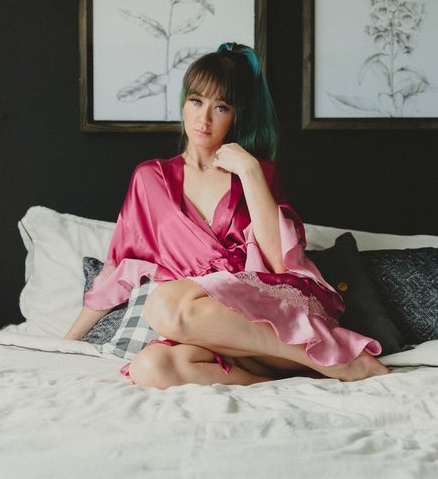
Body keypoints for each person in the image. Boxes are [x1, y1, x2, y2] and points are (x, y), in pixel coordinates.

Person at [65, 42, 389, 388]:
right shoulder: (150, 178)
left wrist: (250, 171)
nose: (204, 119)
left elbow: (280, 263)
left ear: (236, 115)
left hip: (270, 311)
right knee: (150, 368)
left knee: (164, 305)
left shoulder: (257, 172)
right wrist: (67, 343)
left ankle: (338, 360)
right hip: (207, 326)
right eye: (196, 101)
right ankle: (294, 374)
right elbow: (121, 267)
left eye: (220, 107)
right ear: (183, 104)